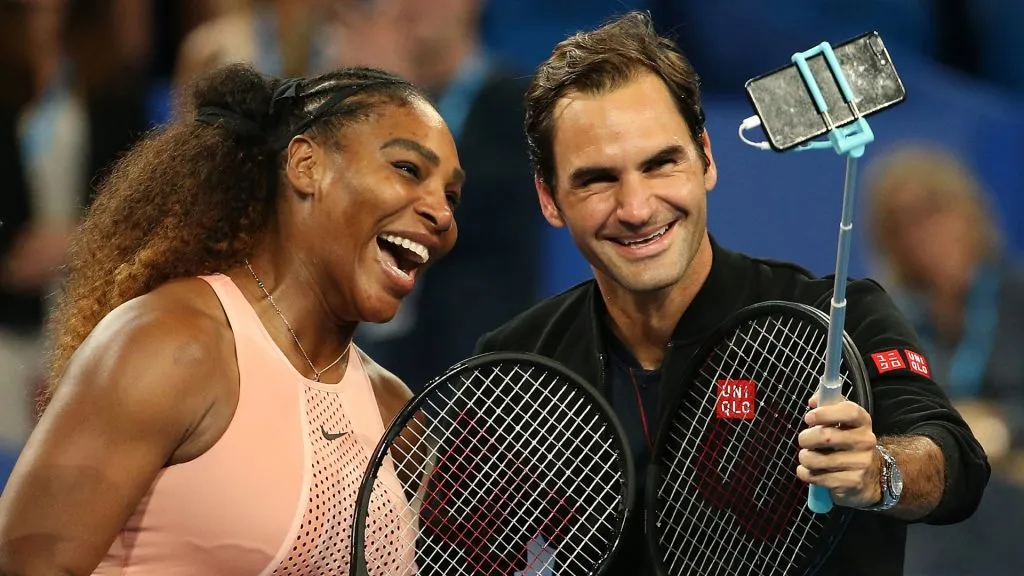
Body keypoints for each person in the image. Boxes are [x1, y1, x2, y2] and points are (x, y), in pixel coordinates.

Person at [474, 11, 990, 575]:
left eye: (660, 163)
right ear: (549, 199)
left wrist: (879, 473)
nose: (637, 207)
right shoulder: (511, 369)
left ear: (706, 160)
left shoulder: (840, 316)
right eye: (598, 179)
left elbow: (955, 463)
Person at [0, 62, 464, 575]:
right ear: (306, 164)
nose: (442, 214)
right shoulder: (173, 343)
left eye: (452, 195)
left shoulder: (394, 412)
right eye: (408, 169)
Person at [339, 0, 543, 392]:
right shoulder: (356, 112)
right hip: (355, 369)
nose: (411, 6)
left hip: (473, 391)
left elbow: (449, 214)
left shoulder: (517, 106)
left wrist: (390, 99)